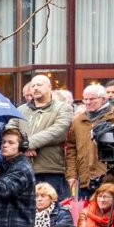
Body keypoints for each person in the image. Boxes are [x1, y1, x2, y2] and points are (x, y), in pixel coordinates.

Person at [21, 74, 72, 203]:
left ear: (49, 87)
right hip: (24, 167)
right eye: (33, 85)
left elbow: (58, 131)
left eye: (39, 85)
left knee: (53, 209)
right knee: (28, 210)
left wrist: (29, 143)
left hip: (50, 168)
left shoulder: (63, 108)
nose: (35, 88)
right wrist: (23, 147)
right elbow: (11, 130)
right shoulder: (20, 110)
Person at [68, 82, 112, 199]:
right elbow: (71, 149)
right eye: (85, 99)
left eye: (92, 99)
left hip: (109, 177)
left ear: (103, 99)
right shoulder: (78, 120)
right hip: (86, 179)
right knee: (87, 215)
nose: (88, 102)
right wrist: (71, 174)